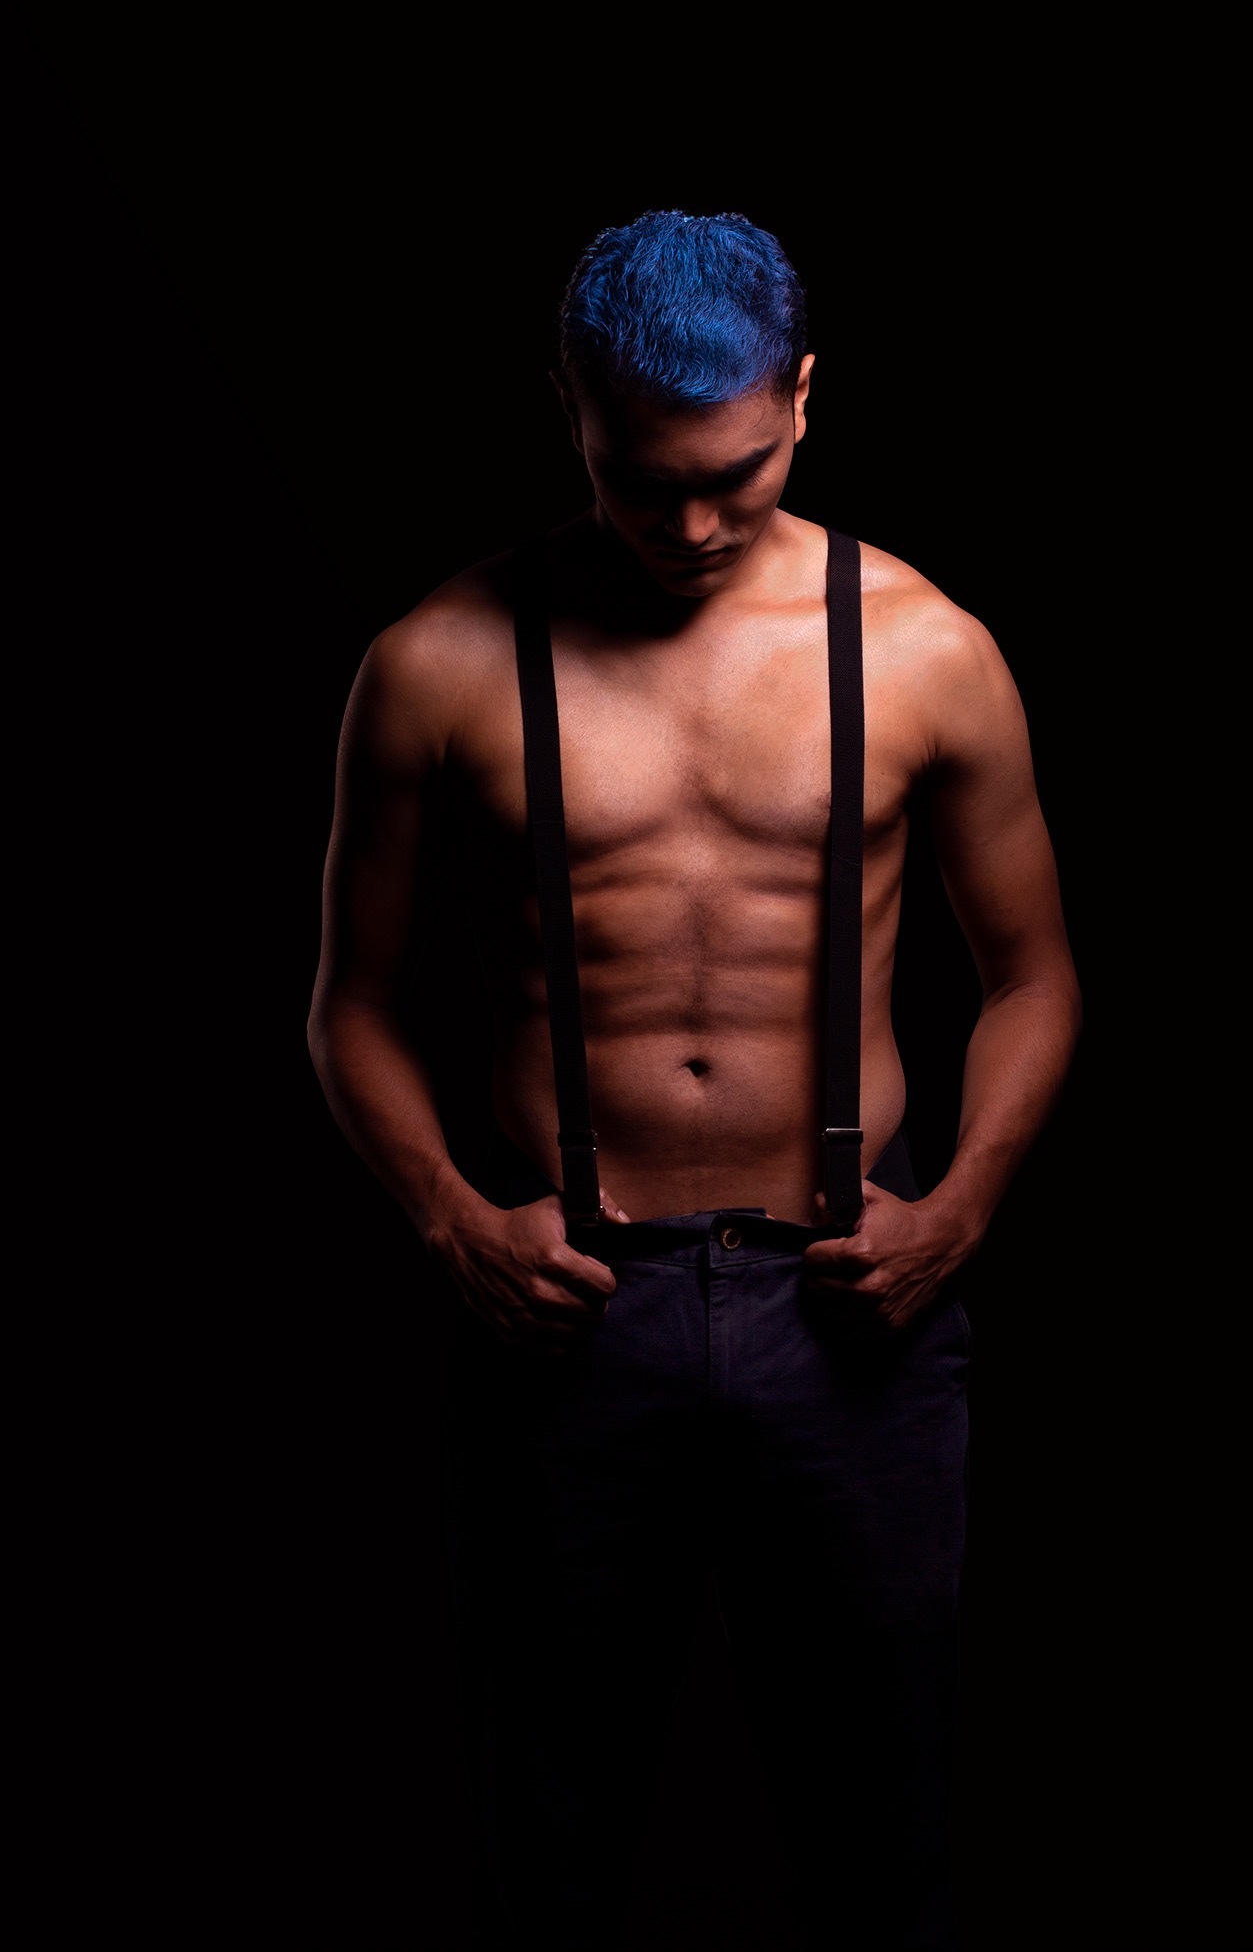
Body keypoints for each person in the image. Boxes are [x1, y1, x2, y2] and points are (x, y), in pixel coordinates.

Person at [307, 208, 1083, 1950]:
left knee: (884, 1844)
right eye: (637, 480)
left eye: (734, 476)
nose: (691, 528)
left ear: (802, 397)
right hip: (569, 1313)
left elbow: (1036, 978)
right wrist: (450, 1222)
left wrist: (961, 1212)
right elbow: (349, 1004)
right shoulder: (437, 665)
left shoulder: (928, 650)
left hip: (853, 1303)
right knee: (550, 1852)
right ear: (568, 409)